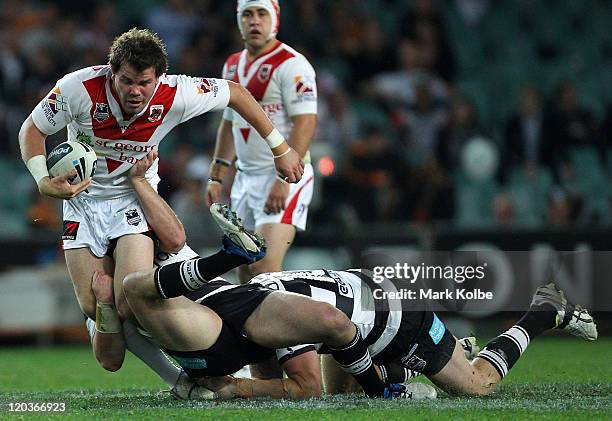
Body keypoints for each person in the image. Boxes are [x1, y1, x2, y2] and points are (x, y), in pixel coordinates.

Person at [18, 26, 303, 370]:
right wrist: (43, 180)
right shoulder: (77, 87)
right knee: (95, 307)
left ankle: (179, 377)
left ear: (160, 77)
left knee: (130, 300)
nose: (135, 92)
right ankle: (113, 318)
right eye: (126, 81)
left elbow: (236, 93)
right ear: (112, 73)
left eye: (144, 83)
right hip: (83, 200)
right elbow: (31, 130)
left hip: (132, 199)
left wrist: (281, 148)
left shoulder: (178, 92)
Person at [120, 212, 597, 399]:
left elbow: (302, 386)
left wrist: (228, 391)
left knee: (475, 386)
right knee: (342, 392)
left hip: (397, 318)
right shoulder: (254, 303)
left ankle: (541, 310)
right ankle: (404, 374)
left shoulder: (277, 315)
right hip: (356, 315)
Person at [206, 0, 317, 285]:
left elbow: (306, 121)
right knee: (243, 268)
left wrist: (283, 179)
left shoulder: (293, 64)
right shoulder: (231, 65)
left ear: (275, 19)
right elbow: (230, 122)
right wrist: (217, 176)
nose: (254, 21)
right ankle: (250, 331)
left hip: (284, 176)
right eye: (247, 14)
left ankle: (289, 328)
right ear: (239, 20)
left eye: (261, 13)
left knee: (264, 267)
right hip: (246, 177)